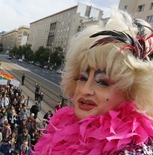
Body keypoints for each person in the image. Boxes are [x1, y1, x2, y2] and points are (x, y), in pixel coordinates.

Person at [33, 9, 153, 154]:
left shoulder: (135, 150)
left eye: (102, 82)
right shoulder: (65, 128)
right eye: (82, 78)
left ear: (132, 91)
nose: (84, 90)